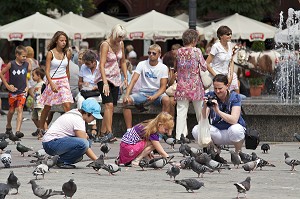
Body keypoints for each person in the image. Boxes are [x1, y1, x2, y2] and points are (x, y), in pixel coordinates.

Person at [123, 44, 170, 131]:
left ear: (159, 54)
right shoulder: (142, 64)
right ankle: (129, 130)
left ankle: (161, 128)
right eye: (149, 53)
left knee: (167, 100)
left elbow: (163, 87)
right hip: (143, 92)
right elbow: (133, 80)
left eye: (154, 53)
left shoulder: (163, 67)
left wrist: (154, 96)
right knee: (126, 101)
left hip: (157, 92)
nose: (151, 55)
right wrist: (126, 94)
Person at [42, 99, 101, 169]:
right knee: (84, 143)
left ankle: (60, 159)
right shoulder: (78, 119)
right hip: (51, 143)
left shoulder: (75, 112)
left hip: (51, 143)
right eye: (93, 117)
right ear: (88, 113)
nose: (93, 119)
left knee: (86, 142)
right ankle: (62, 161)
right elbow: (84, 145)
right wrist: (98, 161)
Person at [38, 31, 74, 138]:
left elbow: (67, 70)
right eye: (61, 40)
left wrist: (68, 83)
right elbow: (47, 71)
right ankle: (40, 129)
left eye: (65, 41)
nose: (63, 42)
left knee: (67, 105)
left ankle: (69, 129)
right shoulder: (50, 53)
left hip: (63, 81)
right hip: (53, 80)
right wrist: (51, 83)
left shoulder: (67, 53)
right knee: (47, 107)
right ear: (56, 41)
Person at [96, 24, 128, 141]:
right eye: (119, 37)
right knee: (108, 105)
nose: (120, 39)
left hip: (115, 78)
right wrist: (104, 83)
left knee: (111, 107)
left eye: (122, 37)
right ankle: (109, 132)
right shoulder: (105, 45)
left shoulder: (121, 44)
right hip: (104, 78)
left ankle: (102, 132)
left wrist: (125, 77)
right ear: (114, 34)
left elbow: (123, 61)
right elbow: (102, 65)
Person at [174, 29, 207, 142]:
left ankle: (180, 136)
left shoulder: (178, 52)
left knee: (181, 111)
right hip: (195, 85)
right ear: (193, 40)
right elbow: (204, 66)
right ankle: (203, 135)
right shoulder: (196, 51)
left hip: (182, 85)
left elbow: (176, 67)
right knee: (200, 112)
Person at [201, 74, 245, 153]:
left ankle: (238, 152)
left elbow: (234, 120)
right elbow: (203, 118)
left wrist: (218, 111)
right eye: (215, 88)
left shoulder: (235, 97)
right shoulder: (210, 96)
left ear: (227, 86)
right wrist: (205, 106)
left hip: (232, 132)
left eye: (220, 88)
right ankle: (215, 150)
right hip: (217, 131)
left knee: (236, 130)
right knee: (197, 130)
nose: (217, 91)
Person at [0, 45, 32, 137]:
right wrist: (7, 85)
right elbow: (1, 73)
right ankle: (8, 125)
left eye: (26, 56)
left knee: (20, 109)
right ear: (17, 55)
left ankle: (18, 131)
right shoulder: (11, 64)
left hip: (22, 90)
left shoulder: (26, 64)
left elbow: (26, 74)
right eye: (23, 56)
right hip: (13, 91)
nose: (25, 58)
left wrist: (27, 86)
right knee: (11, 110)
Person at [76, 50, 101, 139]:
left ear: (94, 62)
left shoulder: (100, 67)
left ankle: (93, 127)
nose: (86, 66)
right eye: (85, 63)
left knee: (91, 102)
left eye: (88, 64)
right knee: (80, 101)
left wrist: (97, 86)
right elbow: (79, 82)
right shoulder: (83, 67)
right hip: (85, 91)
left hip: (96, 92)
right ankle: (80, 124)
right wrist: (83, 84)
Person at [206, 26, 239, 92]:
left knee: (226, 98)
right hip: (216, 77)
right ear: (221, 36)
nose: (230, 36)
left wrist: (231, 75)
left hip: (226, 77)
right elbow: (207, 63)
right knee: (215, 99)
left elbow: (231, 60)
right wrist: (217, 76)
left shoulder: (230, 45)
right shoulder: (216, 46)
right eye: (227, 34)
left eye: (230, 34)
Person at [31, 68, 45, 137]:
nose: (32, 77)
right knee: (34, 118)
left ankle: (43, 131)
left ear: (39, 75)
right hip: (36, 105)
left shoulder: (43, 84)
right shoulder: (36, 85)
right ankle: (40, 129)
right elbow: (35, 96)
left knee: (41, 119)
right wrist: (33, 104)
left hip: (41, 105)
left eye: (33, 75)